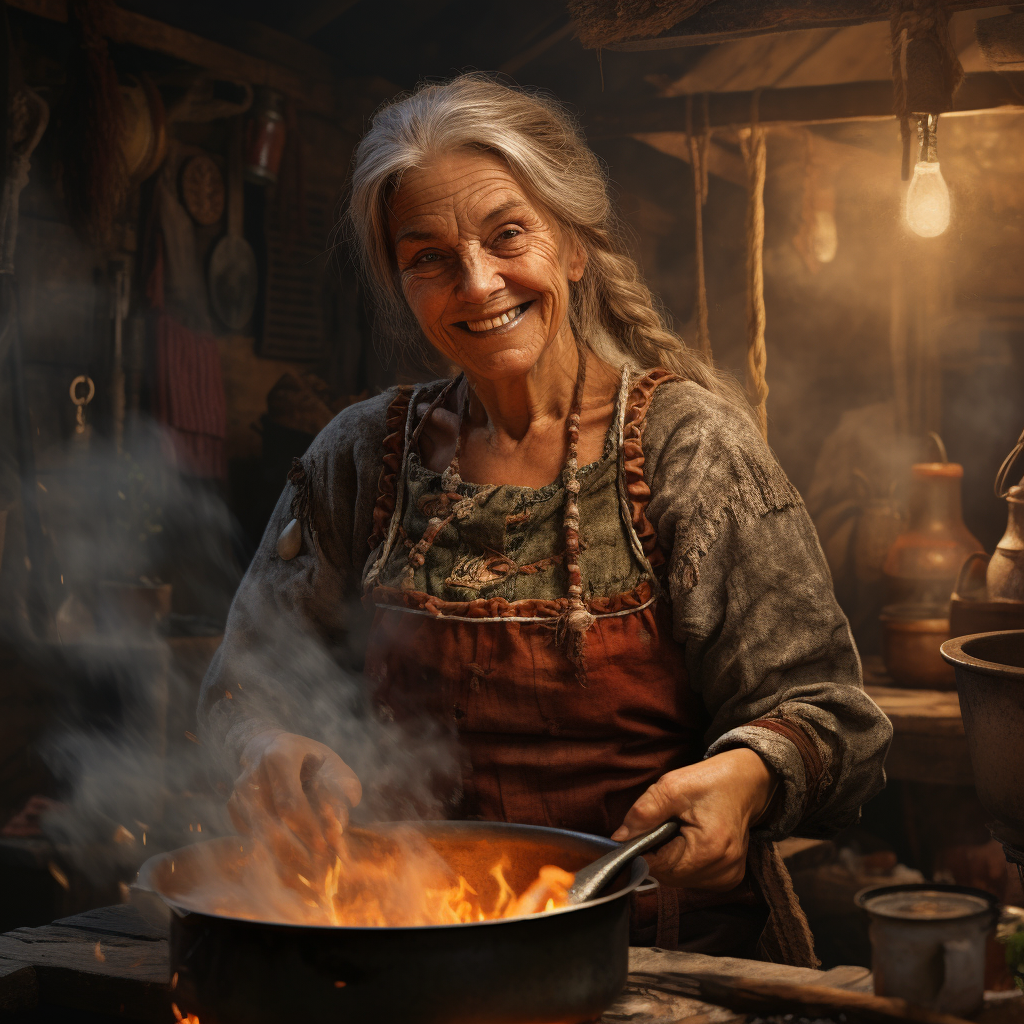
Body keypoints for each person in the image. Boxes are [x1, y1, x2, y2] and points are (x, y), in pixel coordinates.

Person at [200, 75, 891, 962]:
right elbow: (239, 686)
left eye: (507, 235)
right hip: (415, 957)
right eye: (429, 258)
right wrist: (264, 746)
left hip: (660, 959)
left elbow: (832, 713)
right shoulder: (361, 457)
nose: (478, 283)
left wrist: (752, 772)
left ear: (573, 245)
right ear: (401, 284)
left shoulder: (691, 451)